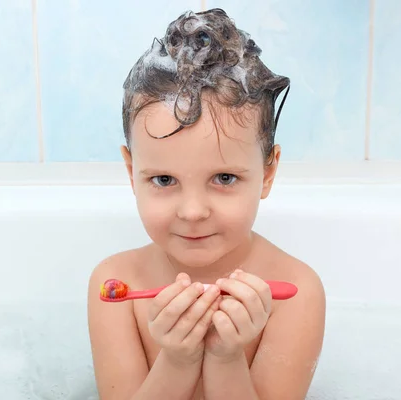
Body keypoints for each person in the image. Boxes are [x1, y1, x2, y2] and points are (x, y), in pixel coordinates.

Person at [87, 8, 325, 399]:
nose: (193, 211)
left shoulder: (296, 292)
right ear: (133, 174)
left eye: (224, 178)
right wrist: (176, 360)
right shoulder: (116, 286)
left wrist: (225, 356)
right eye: (163, 180)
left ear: (267, 173)